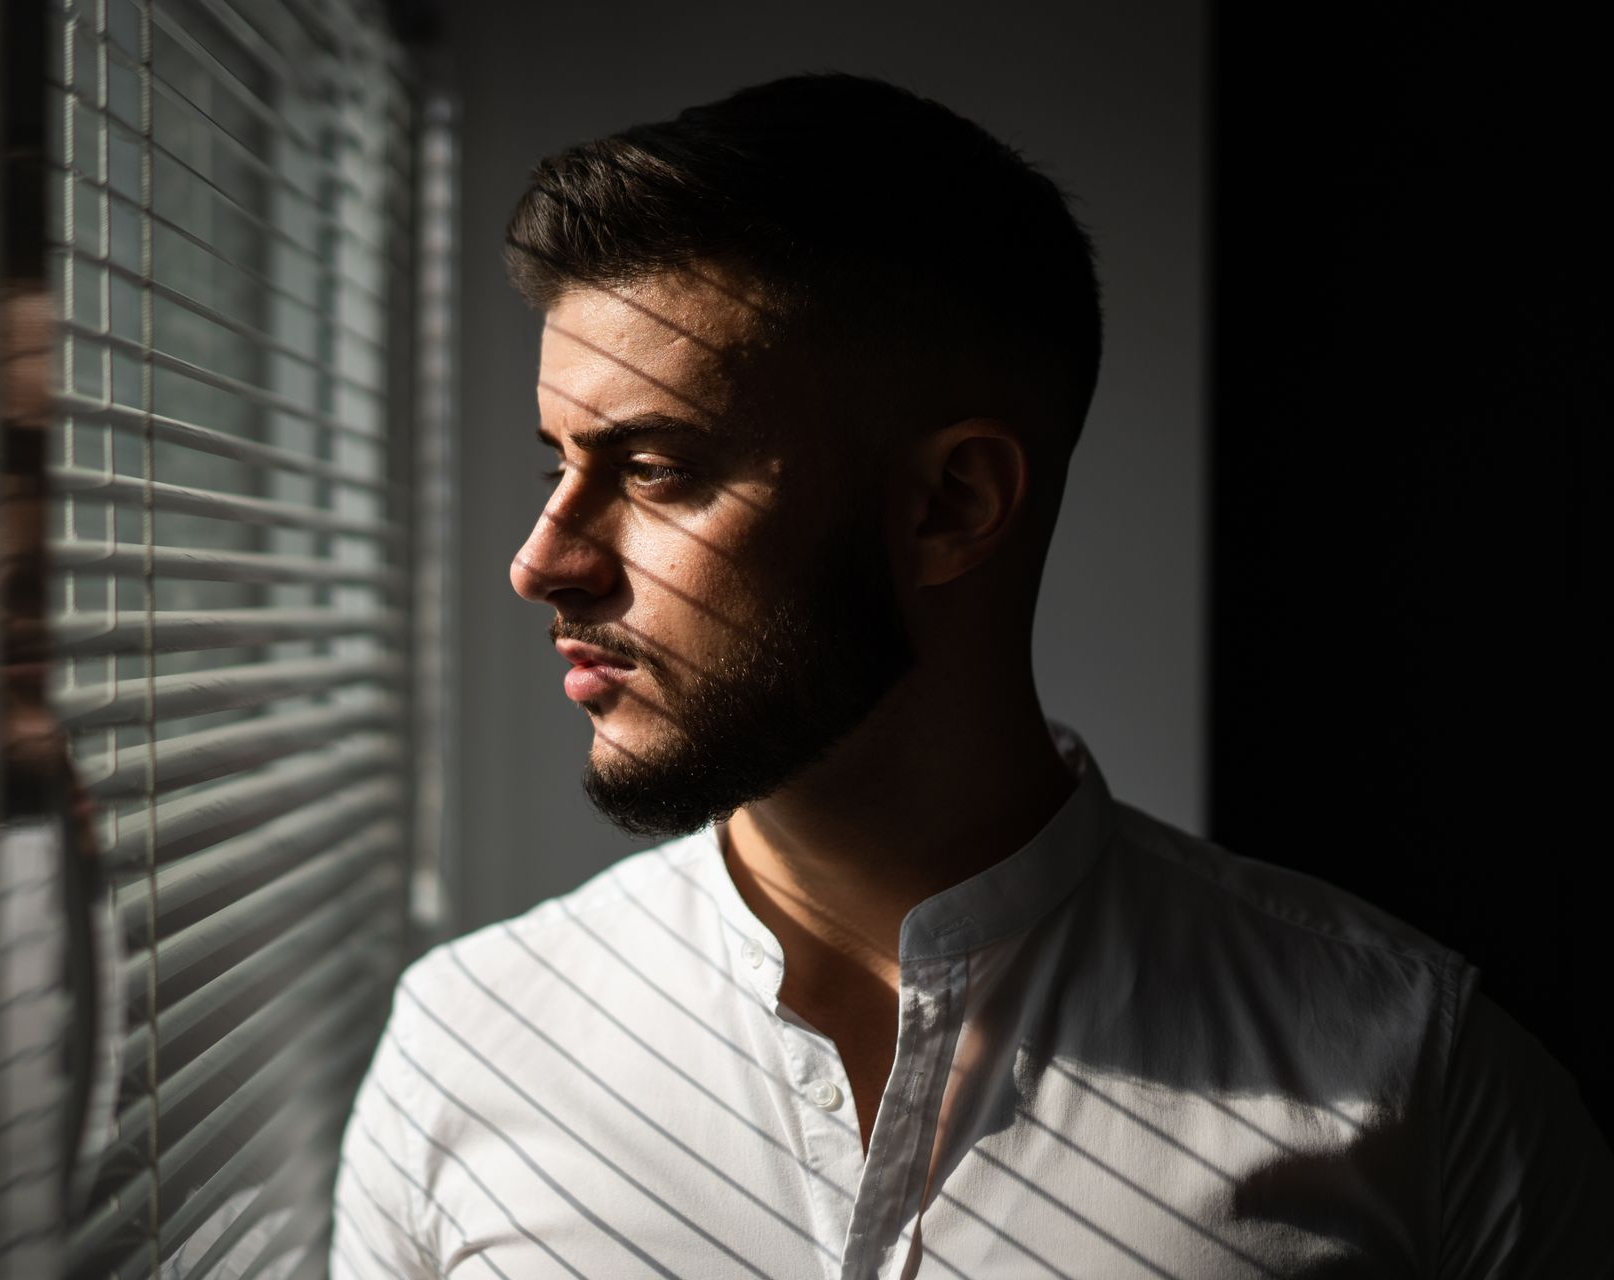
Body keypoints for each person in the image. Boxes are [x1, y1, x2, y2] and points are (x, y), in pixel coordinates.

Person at [332, 73, 1612, 1277]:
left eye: (655, 467)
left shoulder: (1419, 1084)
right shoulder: (469, 1043)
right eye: (558, 459)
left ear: (952, 503)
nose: (541, 559)